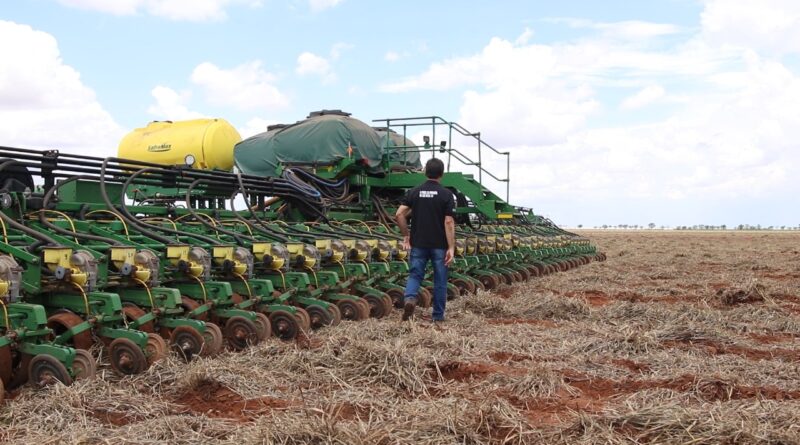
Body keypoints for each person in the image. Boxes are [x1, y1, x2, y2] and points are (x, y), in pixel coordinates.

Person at [395, 158, 456, 322]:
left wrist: (406, 235)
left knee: (415, 275)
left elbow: (399, 214)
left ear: (425, 172)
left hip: (419, 244)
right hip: (439, 246)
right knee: (440, 280)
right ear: (442, 174)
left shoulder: (414, 192)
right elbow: (448, 221)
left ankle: (409, 299)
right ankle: (437, 317)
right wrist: (451, 247)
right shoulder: (446, 194)